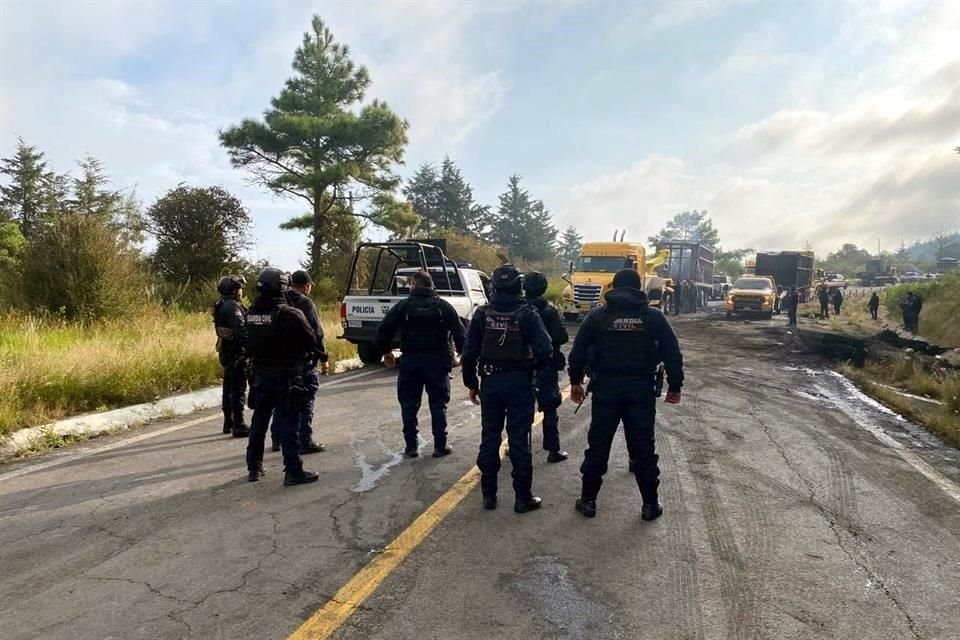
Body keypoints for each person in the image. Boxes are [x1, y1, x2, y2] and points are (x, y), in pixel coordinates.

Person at [568, 269, 684, 521]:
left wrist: (575, 381)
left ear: (614, 287)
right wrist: (675, 386)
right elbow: (672, 353)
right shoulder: (653, 316)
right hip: (640, 390)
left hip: (605, 389)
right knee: (643, 448)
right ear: (637, 288)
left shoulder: (598, 316)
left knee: (598, 446)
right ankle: (650, 505)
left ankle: (588, 501)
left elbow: (578, 351)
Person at [462, 264, 555, 514]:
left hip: (490, 383)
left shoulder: (482, 314)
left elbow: (469, 353)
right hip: (519, 384)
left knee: (490, 437)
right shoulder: (527, 313)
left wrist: (471, 383)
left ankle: (488, 495)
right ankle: (522, 498)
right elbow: (546, 350)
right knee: (519, 441)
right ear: (518, 286)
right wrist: (534, 372)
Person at [375, 270, 466, 458]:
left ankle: (411, 447)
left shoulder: (403, 306)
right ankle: (440, 446)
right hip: (437, 362)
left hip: (411, 362)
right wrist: (462, 355)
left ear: (415, 286)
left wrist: (386, 352)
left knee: (409, 405)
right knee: (438, 404)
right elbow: (460, 333)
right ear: (431, 285)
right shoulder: (443, 306)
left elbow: (383, 330)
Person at [244, 268, 319, 486]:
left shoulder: (251, 314)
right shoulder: (290, 314)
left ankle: (253, 466)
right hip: (286, 375)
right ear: (282, 287)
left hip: (260, 376)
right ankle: (293, 470)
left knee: (259, 421)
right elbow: (310, 341)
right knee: (289, 423)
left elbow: (246, 342)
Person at [523, 271, 569, 463]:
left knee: (522, 408)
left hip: (522, 364)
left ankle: (519, 445)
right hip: (546, 364)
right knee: (550, 407)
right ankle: (553, 449)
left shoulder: (518, 309)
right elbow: (561, 337)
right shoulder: (549, 311)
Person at [281, 270, 329, 455]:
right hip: (304, 359)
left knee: (284, 401)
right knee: (306, 399)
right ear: (306, 286)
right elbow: (317, 332)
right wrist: (323, 356)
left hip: (283, 360)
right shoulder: (305, 303)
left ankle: (278, 439)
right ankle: (305, 440)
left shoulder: (280, 300)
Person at [213, 275, 249, 438]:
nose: (241, 291)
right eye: (240, 288)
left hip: (226, 351)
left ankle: (228, 421)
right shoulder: (232, 307)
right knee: (238, 388)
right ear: (234, 290)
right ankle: (238, 423)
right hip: (236, 352)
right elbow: (241, 330)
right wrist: (251, 348)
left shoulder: (220, 304)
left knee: (228, 387)